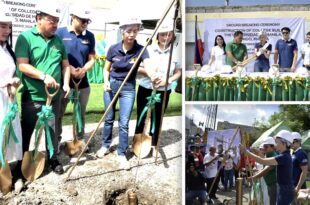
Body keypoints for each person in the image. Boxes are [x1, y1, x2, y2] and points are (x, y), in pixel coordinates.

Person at [15, 1, 71, 174]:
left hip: (54, 98)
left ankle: (52, 160)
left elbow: (66, 65)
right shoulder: (25, 38)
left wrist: (67, 83)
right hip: (33, 98)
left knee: (52, 132)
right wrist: (43, 76)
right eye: (51, 20)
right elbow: (23, 65)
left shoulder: (58, 41)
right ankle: (21, 164)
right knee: (27, 132)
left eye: (57, 21)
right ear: (39, 18)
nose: (55, 24)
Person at [96, 17, 157, 169]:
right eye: (129, 31)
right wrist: (106, 81)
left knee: (123, 123)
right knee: (109, 118)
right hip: (112, 86)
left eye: (135, 31)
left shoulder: (141, 49)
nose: (131, 34)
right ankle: (105, 145)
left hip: (128, 88)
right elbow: (106, 69)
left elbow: (148, 66)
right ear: (122, 31)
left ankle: (121, 152)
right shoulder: (113, 48)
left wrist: (153, 75)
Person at [134, 19, 181, 156]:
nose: (165, 37)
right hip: (145, 88)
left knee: (158, 117)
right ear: (157, 35)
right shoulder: (148, 50)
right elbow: (139, 68)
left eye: (169, 34)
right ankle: (138, 141)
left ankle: (154, 144)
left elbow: (178, 71)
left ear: (173, 36)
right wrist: (151, 76)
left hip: (163, 91)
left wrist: (168, 80)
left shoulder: (176, 52)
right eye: (162, 34)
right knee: (142, 116)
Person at [56, 3, 95, 147]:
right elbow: (56, 56)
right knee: (58, 114)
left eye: (87, 21)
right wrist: (69, 68)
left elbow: (92, 59)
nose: (85, 23)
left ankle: (79, 140)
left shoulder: (90, 36)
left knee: (80, 114)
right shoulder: (60, 33)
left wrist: (84, 70)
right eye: (82, 20)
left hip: (82, 83)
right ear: (72, 17)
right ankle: (56, 142)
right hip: (63, 82)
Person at [0, 2, 23, 190]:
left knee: (8, 137)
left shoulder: (8, 50)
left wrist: (14, 81)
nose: (6, 30)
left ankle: (6, 174)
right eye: (2, 25)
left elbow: (13, 74)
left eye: (9, 26)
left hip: (9, 100)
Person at [239, 130, 294, 205]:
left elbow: (262, 161)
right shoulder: (284, 156)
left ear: (284, 143)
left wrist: (247, 152)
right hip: (284, 188)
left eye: (277, 142)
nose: (275, 145)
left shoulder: (283, 157)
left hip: (284, 189)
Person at [248, 137, 277, 205]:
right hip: (269, 183)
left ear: (272, 146)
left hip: (273, 184)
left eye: (266, 146)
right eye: (263, 146)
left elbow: (266, 170)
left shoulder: (274, 156)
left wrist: (253, 177)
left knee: (271, 202)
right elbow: (263, 160)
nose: (264, 148)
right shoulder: (268, 154)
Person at [291, 132, 308, 205]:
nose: (290, 143)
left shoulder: (301, 153)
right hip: (293, 185)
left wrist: (298, 187)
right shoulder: (293, 153)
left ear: (297, 141)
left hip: (299, 186)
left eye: (291, 141)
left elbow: (304, 172)